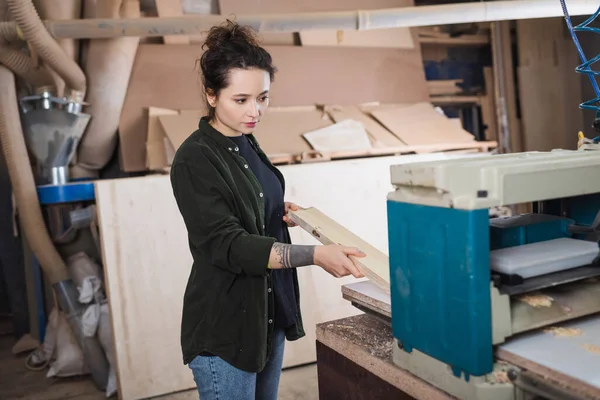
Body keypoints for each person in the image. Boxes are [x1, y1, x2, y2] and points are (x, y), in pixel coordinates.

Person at [169, 20, 366, 400]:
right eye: (240, 100)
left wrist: (277, 209)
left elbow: (249, 205)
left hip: (265, 317)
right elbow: (228, 244)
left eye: (263, 98)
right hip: (226, 329)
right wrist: (316, 256)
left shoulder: (244, 141)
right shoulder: (195, 158)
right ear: (212, 96)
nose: (254, 111)